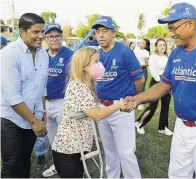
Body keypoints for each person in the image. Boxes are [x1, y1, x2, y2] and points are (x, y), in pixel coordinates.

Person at [124, 2, 196, 178]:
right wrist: (136, 99)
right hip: (182, 127)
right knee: (176, 175)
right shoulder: (176, 53)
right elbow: (163, 85)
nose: (171, 33)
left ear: (190, 24)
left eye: (173, 28)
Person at [51, 47, 128, 178]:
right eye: (96, 61)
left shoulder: (87, 85)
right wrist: (119, 105)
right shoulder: (78, 86)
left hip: (78, 147)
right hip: (67, 150)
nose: (100, 65)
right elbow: (97, 114)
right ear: (84, 66)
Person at [92, 16, 144, 178]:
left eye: (104, 31)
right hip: (102, 107)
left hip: (121, 107)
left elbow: (140, 79)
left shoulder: (123, 51)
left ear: (113, 33)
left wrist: (131, 99)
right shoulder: (96, 54)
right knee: (109, 151)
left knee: (126, 152)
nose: (100, 35)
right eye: (97, 31)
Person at [1, 13, 48, 178]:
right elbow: (12, 96)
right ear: (22, 32)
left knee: (25, 159)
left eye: (42, 31)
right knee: (12, 162)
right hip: (11, 119)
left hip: (34, 118)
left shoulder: (43, 54)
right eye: (36, 32)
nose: (41, 36)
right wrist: (35, 121)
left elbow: (42, 87)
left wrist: (43, 113)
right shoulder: (9, 54)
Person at [41, 23, 74, 177]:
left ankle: (72, 165)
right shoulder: (41, 55)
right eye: (50, 36)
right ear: (45, 38)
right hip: (45, 103)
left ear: (62, 37)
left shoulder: (70, 55)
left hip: (63, 102)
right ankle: (57, 165)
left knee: (67, 138)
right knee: (53, 138)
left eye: (57, 36)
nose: (54, 39)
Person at [135, 38, 173, 135]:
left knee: (165, 106)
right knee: (153, 107)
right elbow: (153, 71)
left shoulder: (167, 57)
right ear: (156, 47)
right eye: (160, 45)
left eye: (164, 45)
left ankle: (163, 128)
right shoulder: (154, 57)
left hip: (167, 83)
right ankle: (140, 123)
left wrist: (168, 83)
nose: (162, 47)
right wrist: (161, 83)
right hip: (157, 82)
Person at [133, 39, 150, 110]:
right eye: (141, 42)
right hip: (134, 70)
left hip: (142, 70)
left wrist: (139, 65)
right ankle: (133, 102)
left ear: (146, 46)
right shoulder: (136, 49)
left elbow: (147, 63)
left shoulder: (146, 52)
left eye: (143, 44)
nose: (141, 44)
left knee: (141, 88)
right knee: (134, 87)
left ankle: (140, 104)